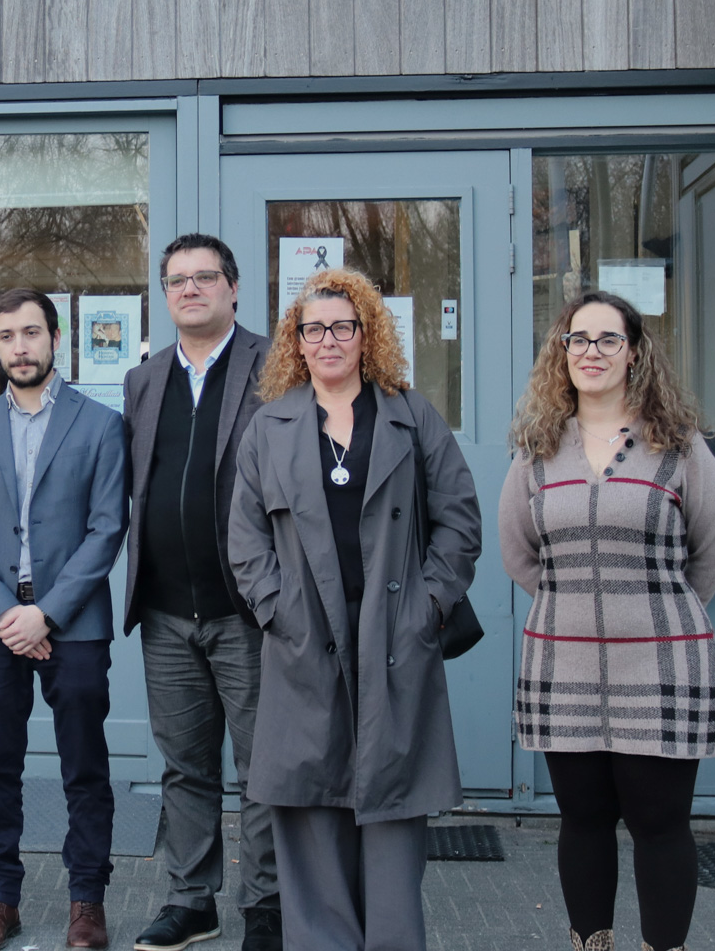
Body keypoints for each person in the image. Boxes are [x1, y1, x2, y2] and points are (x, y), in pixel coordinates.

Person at [225, 267, 479, 951]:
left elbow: (459, 519)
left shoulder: (410, 413)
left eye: (343, 326)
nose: (328, 339)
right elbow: (244, 538)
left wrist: (429, 604)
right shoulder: (269, 427)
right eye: (314, 329)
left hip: (395, 635)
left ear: (366, 335)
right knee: (310, 809)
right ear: (296, 342)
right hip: (306, 637)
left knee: (392, 812)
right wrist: (277, 609)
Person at [499, 291, 715, 951]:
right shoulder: (538, 451)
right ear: (562, 352)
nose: (592, 352)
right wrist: (576, 606)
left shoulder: (680, 448)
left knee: (660, 825)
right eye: (579, 340)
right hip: (563, 664)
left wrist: (654, 612)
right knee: (583, 820)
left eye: (608, 340)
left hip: (662, 667)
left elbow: (713, 552)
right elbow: (519, 552)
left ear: (634, 353)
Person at [0, 290, 130, 951]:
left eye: (30, 333)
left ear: (55, 337)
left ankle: (87, 902)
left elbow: (108, 530)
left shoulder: (102, 426)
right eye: (6, 336)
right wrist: (6, 614)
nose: (18, 347)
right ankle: (0, 900)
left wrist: (45, 613)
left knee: (85, 768)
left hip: (73, 624)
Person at [119, 234, 281, 951]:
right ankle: (192, 900)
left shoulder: (278, 366)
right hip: (163, 612)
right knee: (184, 767)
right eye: (176, 279)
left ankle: (268, 905)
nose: (190, 289)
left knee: (264, 769)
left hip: (246, 611)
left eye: (204, 277)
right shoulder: (145, 379)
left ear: (234, 288)